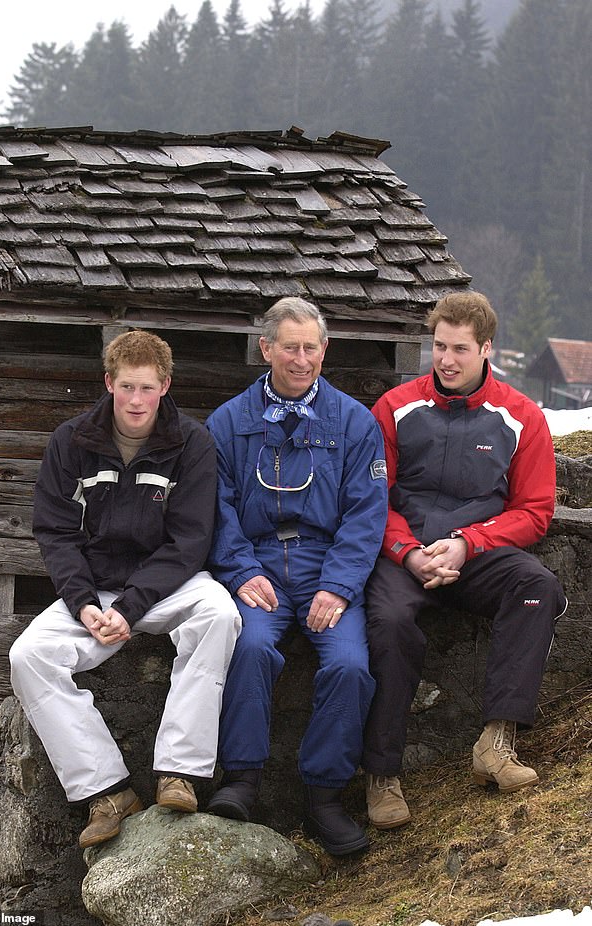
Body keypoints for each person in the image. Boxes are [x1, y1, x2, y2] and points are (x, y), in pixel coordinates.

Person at [9, 330, 241, 849]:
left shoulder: (192, 443)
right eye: (127, 387)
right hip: (94, 592)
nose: (136, 401)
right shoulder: (70, 441)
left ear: (166, 386)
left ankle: (180, 773)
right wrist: (84, 604)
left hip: (166, 587)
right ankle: (106, 791)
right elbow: (56, 533)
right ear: (109, 382)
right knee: (27, 655)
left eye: (148, 388)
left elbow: (190, 542)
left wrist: (133, 607)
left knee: (219, 614)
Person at [362, 291, 567, 830]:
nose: (446, 360)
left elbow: (534, 511)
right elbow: (370, 500)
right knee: (388, 620)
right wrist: (407, 553)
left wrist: (468, 542)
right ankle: (382, 776)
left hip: (475, 552)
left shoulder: (521, 416)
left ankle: (497, 743)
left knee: (537, 587)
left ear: (486, 349)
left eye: (459, 349)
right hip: (402, 553)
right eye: (438, 347)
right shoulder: (394, 407)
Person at [204, 297, 388, 856]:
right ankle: (242, 780)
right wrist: (238, 571)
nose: (301, 359)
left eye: (311, 347)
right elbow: (215, 508)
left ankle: (325, 795)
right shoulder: (229, 422)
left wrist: (338, 585)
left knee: (352, 664)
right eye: (290, 347)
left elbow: (366, 514)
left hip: (326, 566)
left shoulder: (355, 423)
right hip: (257, 566)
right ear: (267, 349)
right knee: (252, 647)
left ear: (324, 350)